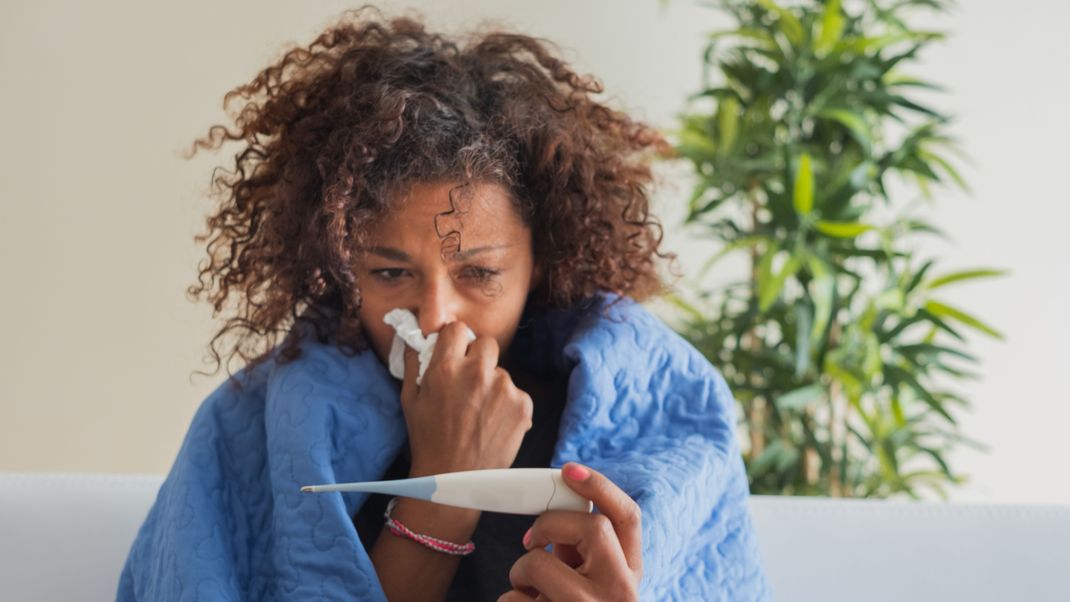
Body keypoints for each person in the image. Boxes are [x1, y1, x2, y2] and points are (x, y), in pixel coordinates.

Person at [117, 5, 768, 601]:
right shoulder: (248, 431)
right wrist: (444, 486)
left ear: (539, 263)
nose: (434, 317)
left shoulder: (655, 428)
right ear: (341, 267)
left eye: (479, 273)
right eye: (390, 271)